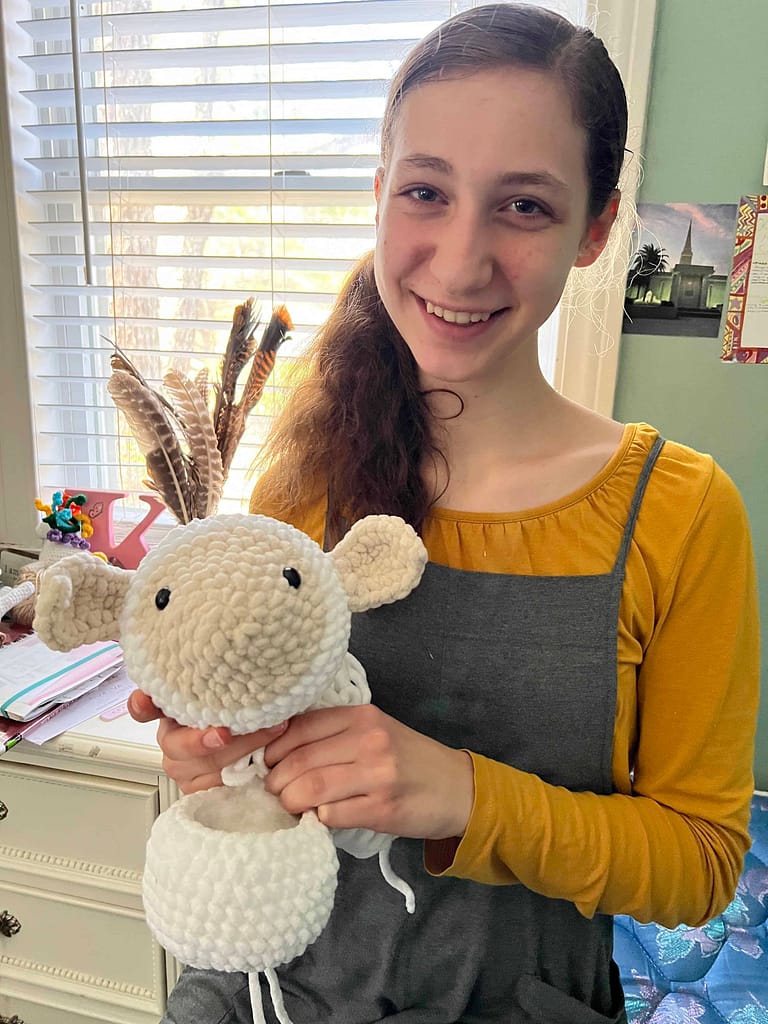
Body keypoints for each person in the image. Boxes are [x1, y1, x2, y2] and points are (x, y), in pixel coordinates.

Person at [129, 4, 760, 1022]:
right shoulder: (304, 475)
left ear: (596, 229)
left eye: (523, 207)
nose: (461, 261)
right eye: (426, 192)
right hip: (273, 997)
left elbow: (699, 862)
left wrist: (466, 795)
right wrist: (213, 757)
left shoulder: (681, 513)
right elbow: (252, 758)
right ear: (381, 196)